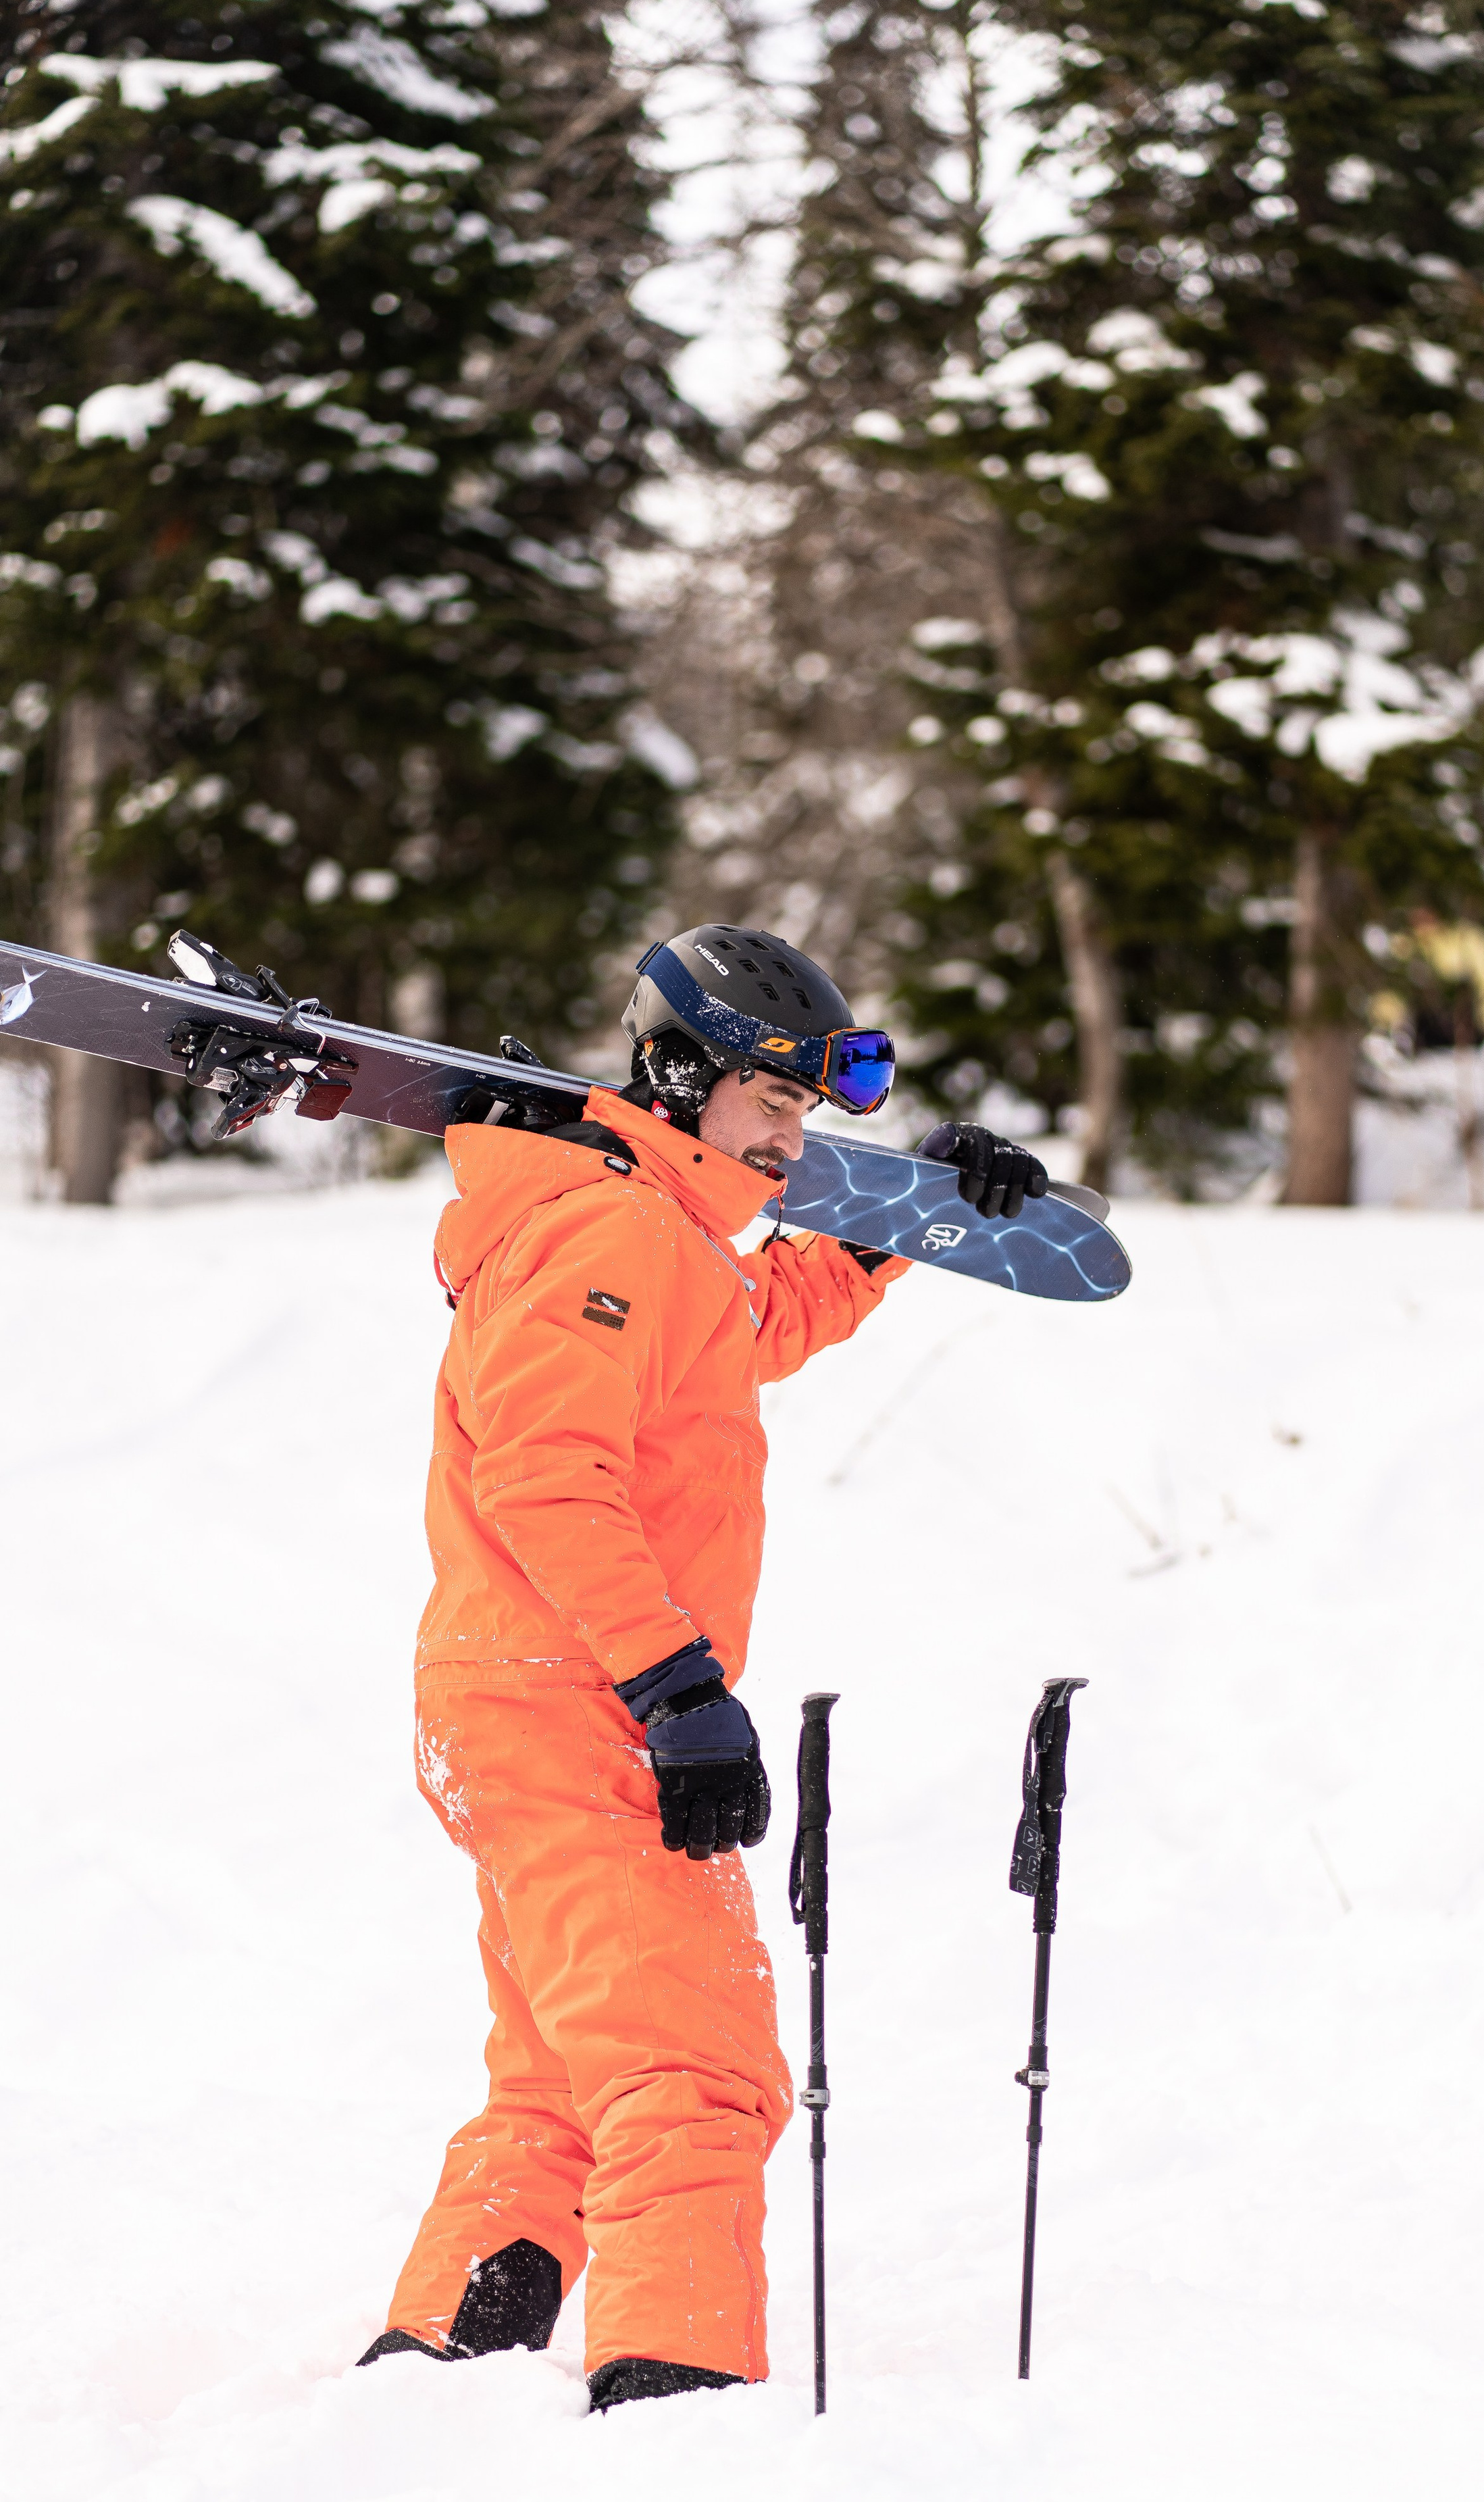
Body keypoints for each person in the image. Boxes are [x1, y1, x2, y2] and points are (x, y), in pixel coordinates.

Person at [359, 925, 1046, 2409]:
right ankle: (676, 2413)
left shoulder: (660, 1238)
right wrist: (676, 1693)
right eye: (768, 1105)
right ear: (675, 1079)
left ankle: (426, 2382)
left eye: (804, 1112)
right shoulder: (610, 1232)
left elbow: (750, 1329)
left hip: (527, 1697)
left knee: (562, 2082)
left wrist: (894, 1224)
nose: (791, 1136)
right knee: (693, 2071)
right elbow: (547, 1473)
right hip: (576, 1702)